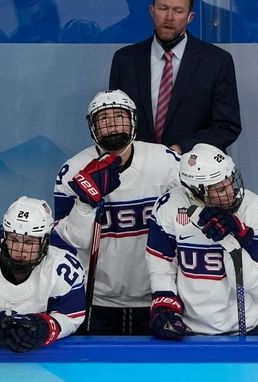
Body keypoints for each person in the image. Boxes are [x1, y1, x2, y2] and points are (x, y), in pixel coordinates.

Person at [54, 90, 180, 335]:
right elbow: (76, 240)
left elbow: (185, 228)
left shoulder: (166, 162)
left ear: (133, 121)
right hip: (98, 299)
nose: (112, 125)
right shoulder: (72, 170)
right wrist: (85, 203)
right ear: (93, 127)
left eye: (119, 116)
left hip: (156, 297)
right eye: (103, 119)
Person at [146, 143, 258, 338]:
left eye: (231, 182)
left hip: (244, 327)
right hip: (190, 330)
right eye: (220, 190)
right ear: (196, 191)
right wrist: (165, 302)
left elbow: (250, 281)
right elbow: (162, 264)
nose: (230, 192)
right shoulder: (169, 206)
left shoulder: (256, 208)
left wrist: (233, 238)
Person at [108, 0, 242, 154]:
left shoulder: (217, 61)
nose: (169, 17)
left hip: (193, 169)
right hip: (137, 168)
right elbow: (115, 119)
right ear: (152, 11)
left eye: (178, 11)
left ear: (190, 17)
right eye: (163, 8)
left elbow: (227, 126)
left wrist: (180, 149)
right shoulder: (125, 60)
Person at [0, 197, 87, 352]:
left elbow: (71, 317)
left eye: (29, 242)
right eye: (13, 239)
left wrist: (44, 329)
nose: (20, 249)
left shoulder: (63, 267)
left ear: (45, 240)